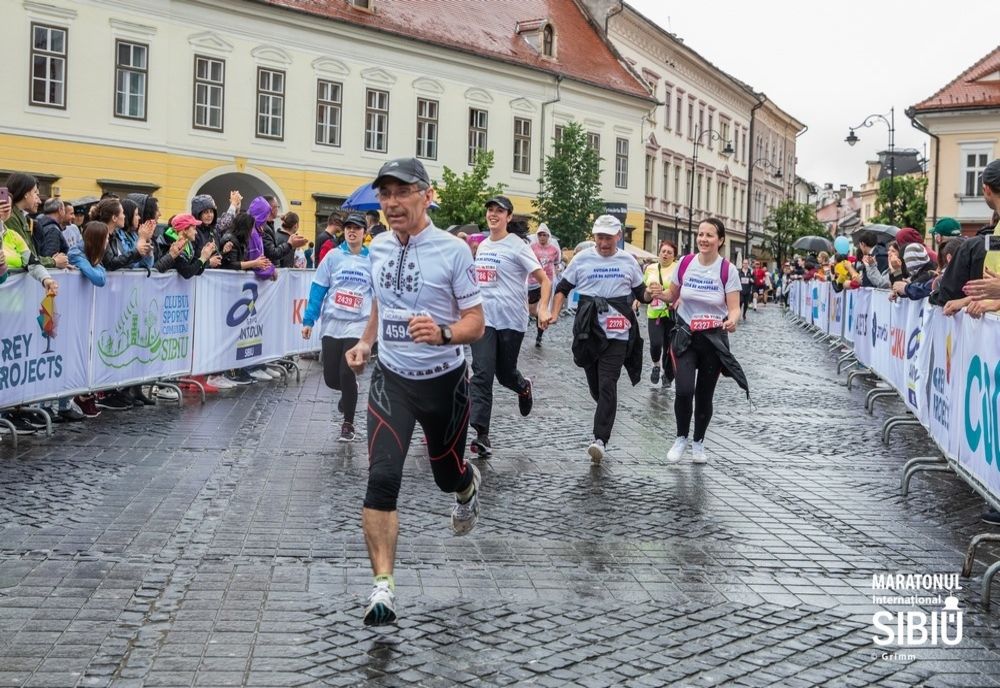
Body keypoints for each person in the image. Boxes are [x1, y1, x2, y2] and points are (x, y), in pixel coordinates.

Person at [344, 158, 485, 627]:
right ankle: (382, 587)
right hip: (392, 379)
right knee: (382, 479)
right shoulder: (379, 247)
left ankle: (466, 488)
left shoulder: (454, 251)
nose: (391, 204)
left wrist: (445, 333)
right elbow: (384, 302)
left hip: (444, 382)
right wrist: (366, 341)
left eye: (401, 193)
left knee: (446, 476)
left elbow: (476, 323)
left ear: (426, 195)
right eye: (384, 195)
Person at [550, 215, 655, 463]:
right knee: (596, 387)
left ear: (618, 236)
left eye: (608, 237)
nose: (603, 242)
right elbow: (562, 288)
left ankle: (599, 440)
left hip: (618, 331)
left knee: (608, 383)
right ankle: (606, 409)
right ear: (594, 236)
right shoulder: (582, 259)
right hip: (588, 330)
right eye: (599, 237)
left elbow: (642, 293)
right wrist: (553, 313)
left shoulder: (628, 261)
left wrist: (652, 294)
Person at [468, 196, 550, 458]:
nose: (493, 215)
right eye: (490, 210)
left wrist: (544, 309)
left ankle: (522, 385)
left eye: (499, 211)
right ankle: (482, 434)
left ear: (508, 217)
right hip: (483, 320)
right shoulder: (482, 246)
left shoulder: (517, 246)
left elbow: (544, 280)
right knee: (481, 372)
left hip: (511, 319)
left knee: (504, 374)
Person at [663, 219, 748, 464]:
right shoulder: (685, 263)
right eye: (700, 234)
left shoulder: (727, 270)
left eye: (709, 235)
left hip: (713, 339)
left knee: (704, 394)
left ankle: (698, 442)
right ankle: (681, 438)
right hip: (685, 335)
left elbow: (734, 309)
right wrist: (658, 293)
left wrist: (732, 320)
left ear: (720, 240)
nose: (703, 239)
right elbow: (672, 294)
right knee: (684, 389)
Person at [302, 213, 372, 442]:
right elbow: (318, 288)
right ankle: (348, 392)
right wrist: (308, 320)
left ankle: (348, 424)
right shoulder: (333, 256)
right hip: (333, 323)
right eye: (348, 228)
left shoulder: (372, 259)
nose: (352, 231)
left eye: (357, 228)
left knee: (346, 372)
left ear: (364, 232)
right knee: (332, 378)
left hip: (358, 323)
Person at [644, 240, 677, 388]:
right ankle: (656, 365)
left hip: (671, 314)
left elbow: (681, 289)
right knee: (656, 344)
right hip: (654, 313)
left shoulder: (677, 269)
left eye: (669, 252)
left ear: (673, 256)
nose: (665, 254)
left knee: (669, 347)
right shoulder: (650, 268)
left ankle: (668, 374)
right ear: (659, 252)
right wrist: (639, 300)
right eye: (663, 251)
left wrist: (677, 300)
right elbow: (643, 288)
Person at [528, 224, 561, 347]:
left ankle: (539, 336)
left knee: (543, 308)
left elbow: (558, 262)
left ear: (548, 236)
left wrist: (558, 269)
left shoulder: (554, 249)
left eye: (544, 235)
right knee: (532, 311)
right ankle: (539, 317)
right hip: (533, 282)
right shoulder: (532, 248)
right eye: (540, 235)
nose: (542, 237)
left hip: (547, 282)